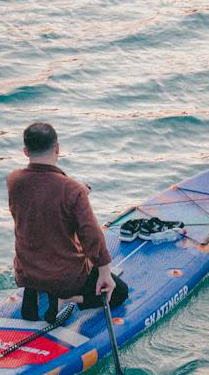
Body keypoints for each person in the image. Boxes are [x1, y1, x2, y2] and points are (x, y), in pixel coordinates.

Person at [7, 121, 130, 322]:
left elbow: (41, 194)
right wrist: (105, 272)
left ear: (25, 151)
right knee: (120, 293)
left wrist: (77, 191)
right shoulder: (72, 191)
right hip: (66, 278)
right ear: (57, 148)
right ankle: (67, 299)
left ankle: (34, 293)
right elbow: (91, 236)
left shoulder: (13, 181)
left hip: (26, 272)